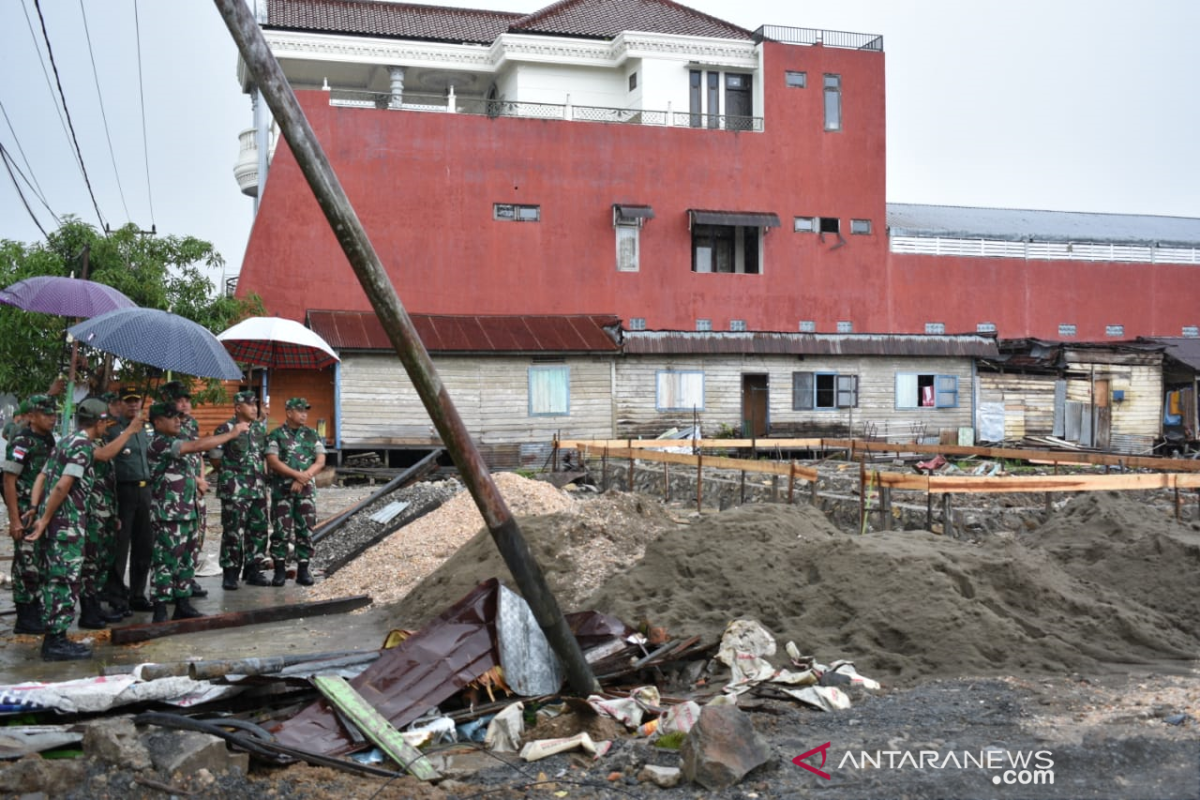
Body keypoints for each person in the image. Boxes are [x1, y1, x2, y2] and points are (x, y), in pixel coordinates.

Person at [25, 398, 111, 661]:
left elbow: (42, 476)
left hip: (55, 521)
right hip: (66, 525)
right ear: (98, 423)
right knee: (63, 581)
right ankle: (55, 642)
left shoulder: (65, 441)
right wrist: (45, 518)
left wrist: (35, 508)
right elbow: (63, 485)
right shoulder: (83, 447)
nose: (107, 426)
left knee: (55, 579)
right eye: (105, 422)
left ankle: (56, 638)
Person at [145, 402, 248, 623]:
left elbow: (191, 462)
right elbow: (196, 447)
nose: (177, 420)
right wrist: (232, 434)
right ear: (157, 422)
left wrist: (198, 481)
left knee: (187, 559)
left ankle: (183, 602)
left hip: (188, 509)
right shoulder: (159, 443)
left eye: (178, 416)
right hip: (168, 513)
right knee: (165, 560)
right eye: (171, 417)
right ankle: (160, 608)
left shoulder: (177, 441)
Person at [78, 396, 146, 630]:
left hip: (110, 505)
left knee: (108, 557)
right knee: (98, 559)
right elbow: (105, 456)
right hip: (96, 508)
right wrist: (129, 431)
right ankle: (96, 607)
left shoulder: (139, 431)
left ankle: (102, 606)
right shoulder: (87, 441)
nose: (132, 405)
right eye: (103, 422)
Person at [1, 395, 58, 634]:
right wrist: (14, 519)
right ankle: (25, 615)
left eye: (54, 414)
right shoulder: (22, 442)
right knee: (26, 563)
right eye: (47, 414)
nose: (53, 419)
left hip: (44, 509)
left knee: (41, 563)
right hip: (25, 511)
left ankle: (36, 609)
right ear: (32, 417)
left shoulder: (48, 439)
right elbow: (8, 481)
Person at [208, 391, 271, 590]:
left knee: (258, 530)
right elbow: (215, 458)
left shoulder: (259, 430)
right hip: (234, 489)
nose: (254, 408)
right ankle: (230, 572)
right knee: (233, 531)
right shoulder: (225, 429)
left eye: (256, 405)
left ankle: (253, 570)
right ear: (238, 408)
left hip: (258, 488)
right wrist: (232, 475)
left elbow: (262, 457)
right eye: (250, 405)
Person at [102, 387, 154, 615]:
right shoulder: (113, 431)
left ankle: (137, 594)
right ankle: (116, 598)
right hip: (123, 492)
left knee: (145, 546)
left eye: (136, 401)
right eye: (128, 402)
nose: (133, 405)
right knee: (119, 547)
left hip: (145, 491)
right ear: (120, 404)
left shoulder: (147, 429)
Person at [265, 397, 326, 587]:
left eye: (305, 411)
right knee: (281, 531)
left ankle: (303, 570)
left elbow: (320, 460)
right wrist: (296, 476)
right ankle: (280, 571)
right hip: (282, 491)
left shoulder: (311, 434)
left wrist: (304, 477)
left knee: (305, 530)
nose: (304, 414)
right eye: (300, 411)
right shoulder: (275, 435)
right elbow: (273, 461)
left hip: (306, 492)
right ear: (289, 412)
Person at [158, 381, 209, 598]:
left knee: (196, 535)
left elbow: (198, 454)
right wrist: (196, 479)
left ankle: (188, 579)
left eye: (187, 400)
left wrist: (203, 479)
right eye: (180, 400)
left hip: (195, 489)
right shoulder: (166, 429)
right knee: (172, 544)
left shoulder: (191, 424)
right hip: (176, 491)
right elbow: (185, 452)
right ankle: (168, 586)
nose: (185, 404)